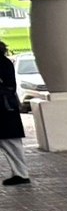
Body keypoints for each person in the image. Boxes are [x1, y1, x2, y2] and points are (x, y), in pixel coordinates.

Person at [0, 53, 27, 185]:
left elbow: (8, 86)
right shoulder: (4, 61)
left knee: (11, 143)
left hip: (4, 110)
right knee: (11, 144)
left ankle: (21, 174)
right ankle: (20, 173)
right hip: (6, 110)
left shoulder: (3, 63)